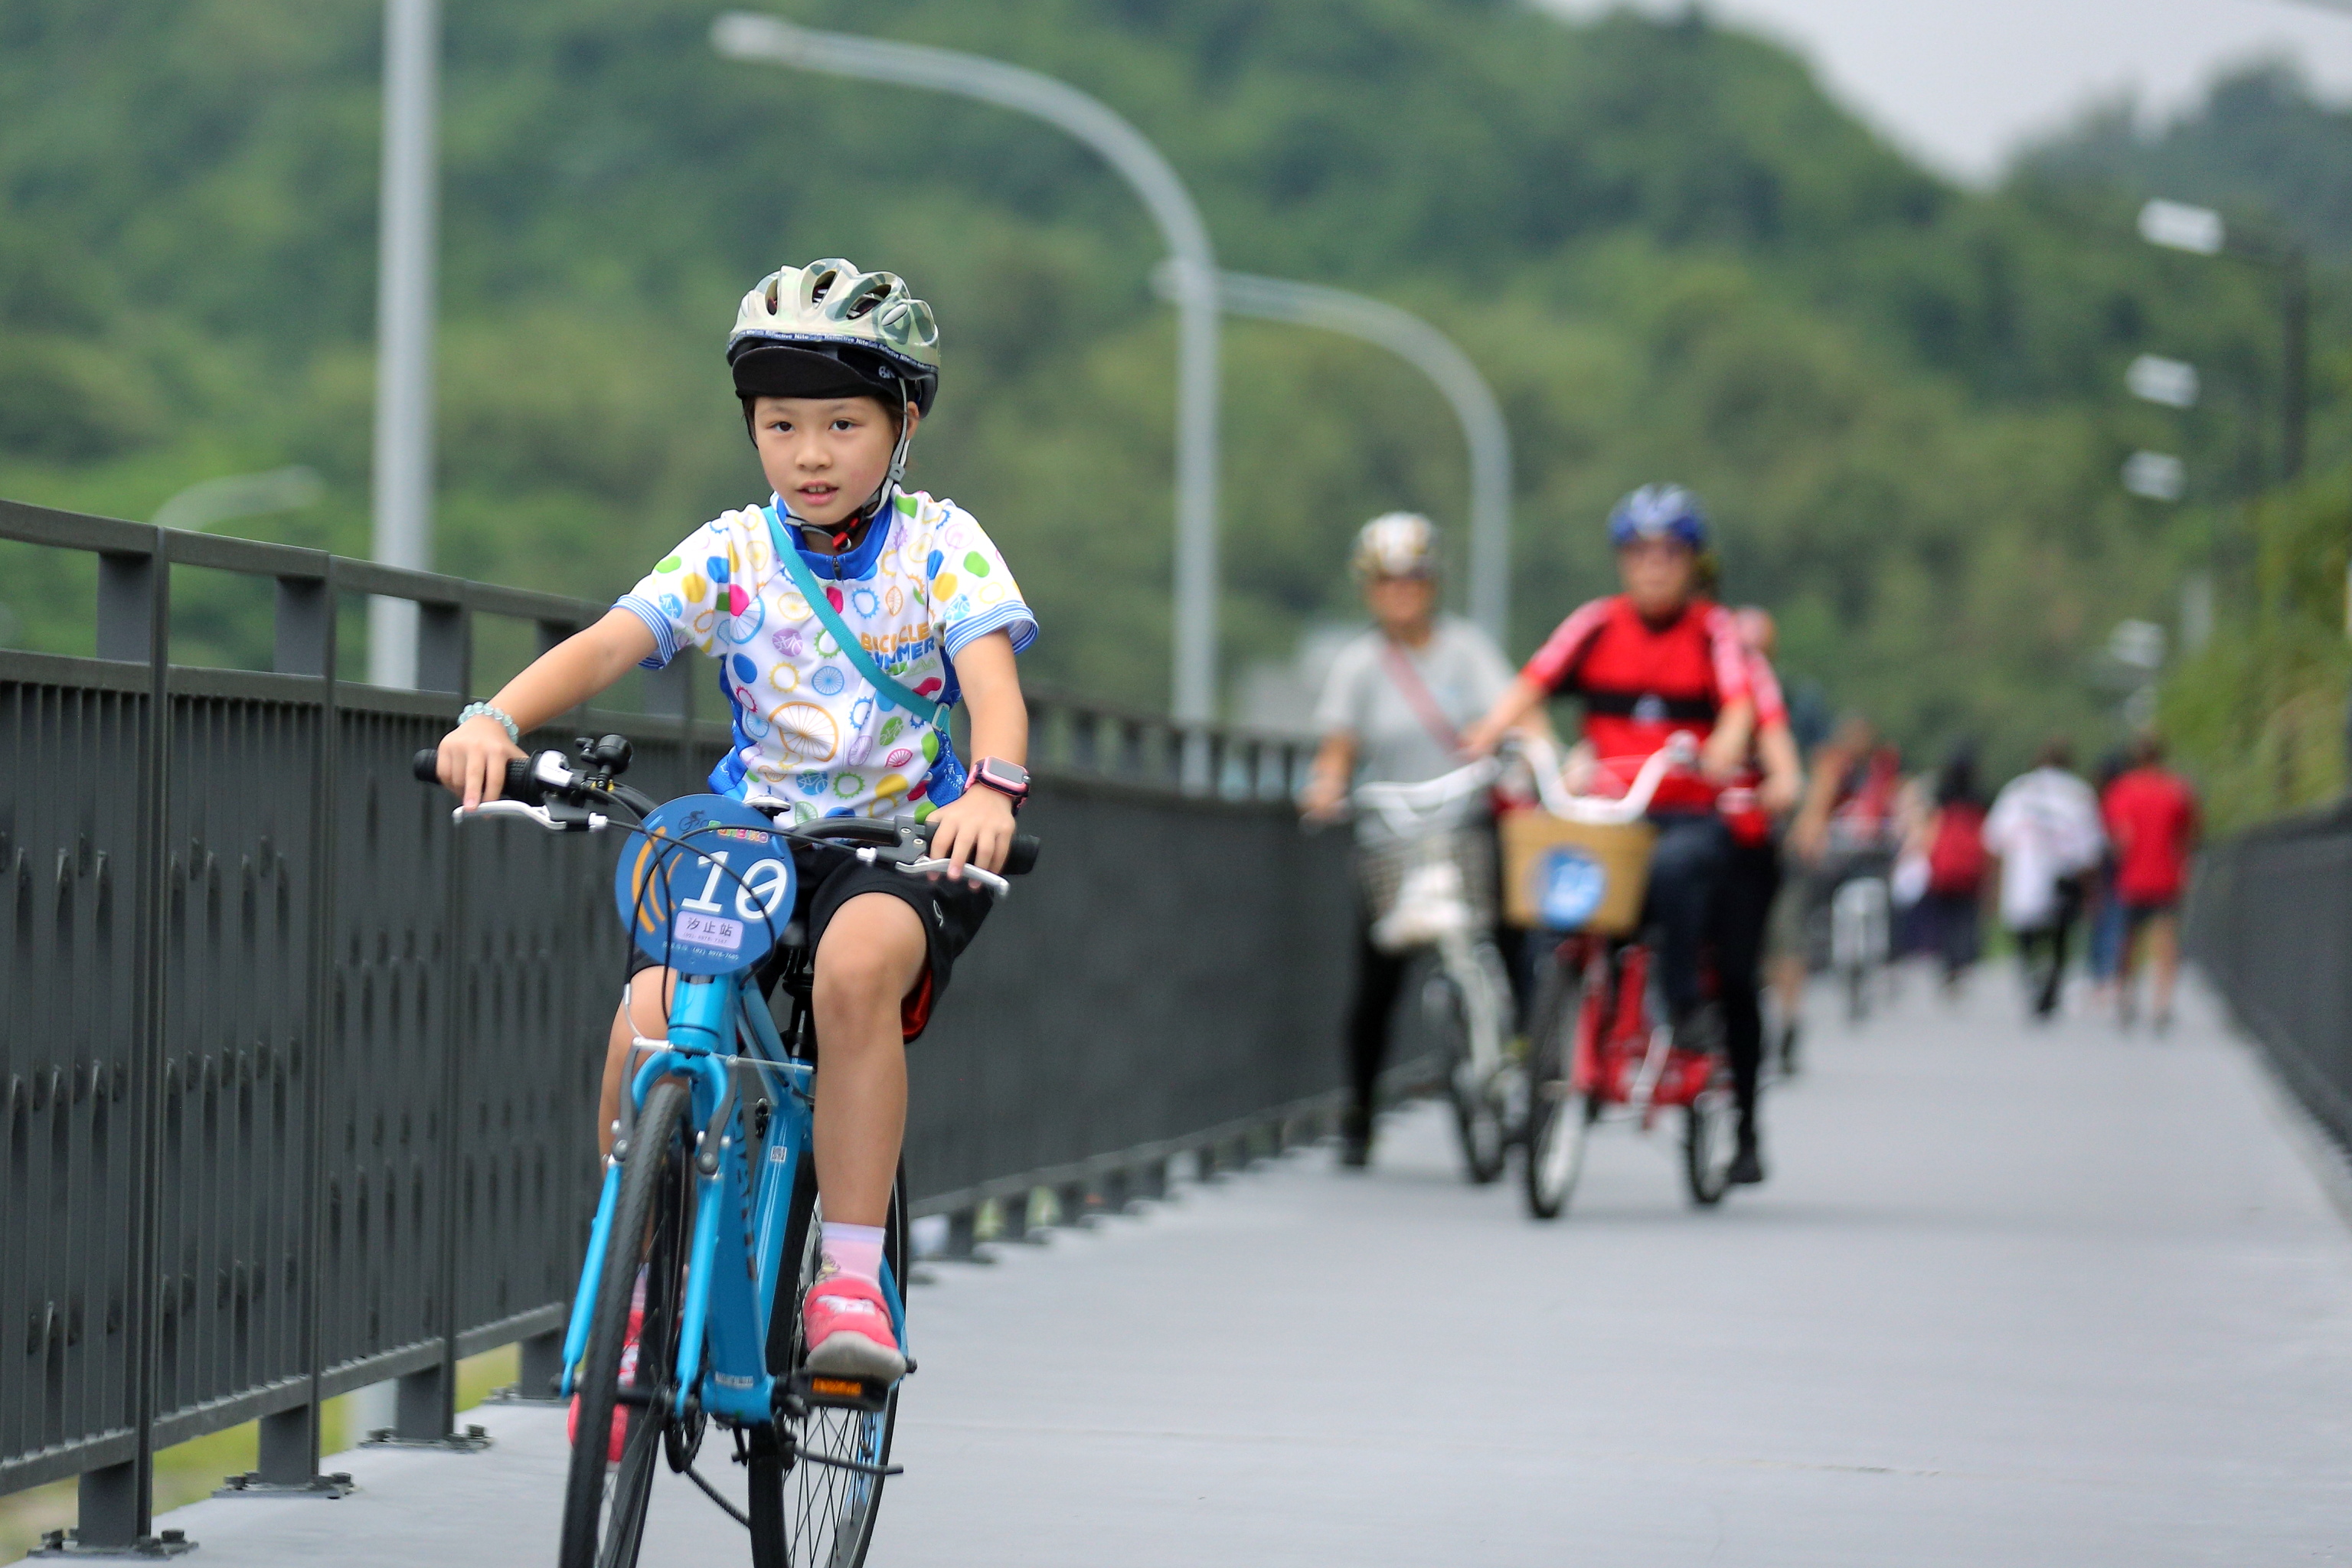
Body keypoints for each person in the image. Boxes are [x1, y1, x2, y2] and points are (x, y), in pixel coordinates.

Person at [432, 259, 1035, 1386]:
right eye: (781, 424)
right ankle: (638, 1272)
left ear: (904, 424)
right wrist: (492, 718)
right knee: (649, 1014)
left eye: (843, 424)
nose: (810, 453)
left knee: (855, 970)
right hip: (755, 845)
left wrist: (990, 788)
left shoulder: (941, 545)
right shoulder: (734, 551)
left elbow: (992, 685)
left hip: (903, 848)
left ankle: (849, 1276)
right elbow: (614, 640)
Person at [1463, 483, 1756, 1078]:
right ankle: (1543, 1021)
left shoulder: (1712, 630)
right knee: (1543, 879)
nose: (1653, 566)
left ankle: (1681, 1003)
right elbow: (1534, 680)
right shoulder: (1596, 623)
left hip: (1681, 808)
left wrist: (1725, 743)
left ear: (1691, 562)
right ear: (1622, 559)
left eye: (1669, 553)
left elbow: (1740, 701)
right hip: (1606, 809)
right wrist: (1492, 731)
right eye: (1640, 551)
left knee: (1675, 872)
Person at [1300, 514, 1516, 1168]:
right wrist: (1327, 786)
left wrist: (1511, 747)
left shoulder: (1467, 651)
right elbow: (1338, 748)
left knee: (1509, 942)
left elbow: (1507, 712)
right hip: (1391, 834)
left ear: (1432, 584)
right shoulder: (1360, 665)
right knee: (1377, 982)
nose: (1401, 593)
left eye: (1412, 580)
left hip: (1463, 823)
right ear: (1370, 589)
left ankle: (1526, 1066)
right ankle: (1360, 1112)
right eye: (1387, 582)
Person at [1710, 606, 1804, 1182]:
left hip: (1743, 838)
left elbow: (1787, 753)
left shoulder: (1756, 683)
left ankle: (1745, 1127)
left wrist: (1785, 785)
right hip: (1655, 826)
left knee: (1737, 975)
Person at [1983, 739, 2105, 1021]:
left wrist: (1993, 885)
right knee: (2061, 939)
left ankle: (2032, 982)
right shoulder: (2078, 793)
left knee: (2026, 939)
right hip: (2065, 877)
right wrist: (2091, 890)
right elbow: (2091, 848)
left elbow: (1994, 840)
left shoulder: (2017, 790)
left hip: (2023, 877)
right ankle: (2051, 986)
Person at [2101, 733, 2200, 1031]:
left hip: (2132, 876)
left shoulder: (2121, 790)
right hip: (2167, 874)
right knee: (2166, 941)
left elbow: (2120, 838)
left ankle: (2126, 997)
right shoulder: (2177, 789)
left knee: (2128, 939)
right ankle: (2162, 1004)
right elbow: (2189, 834)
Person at [1915, 749, 1988, 992]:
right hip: (1969, 867)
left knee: (1945, 919)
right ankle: (1962, 961)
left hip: (1945, 866)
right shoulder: (1979, 796)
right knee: (1965, 918)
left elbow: (1932, 826)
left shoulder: (1942, 795)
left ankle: (1948, 962)